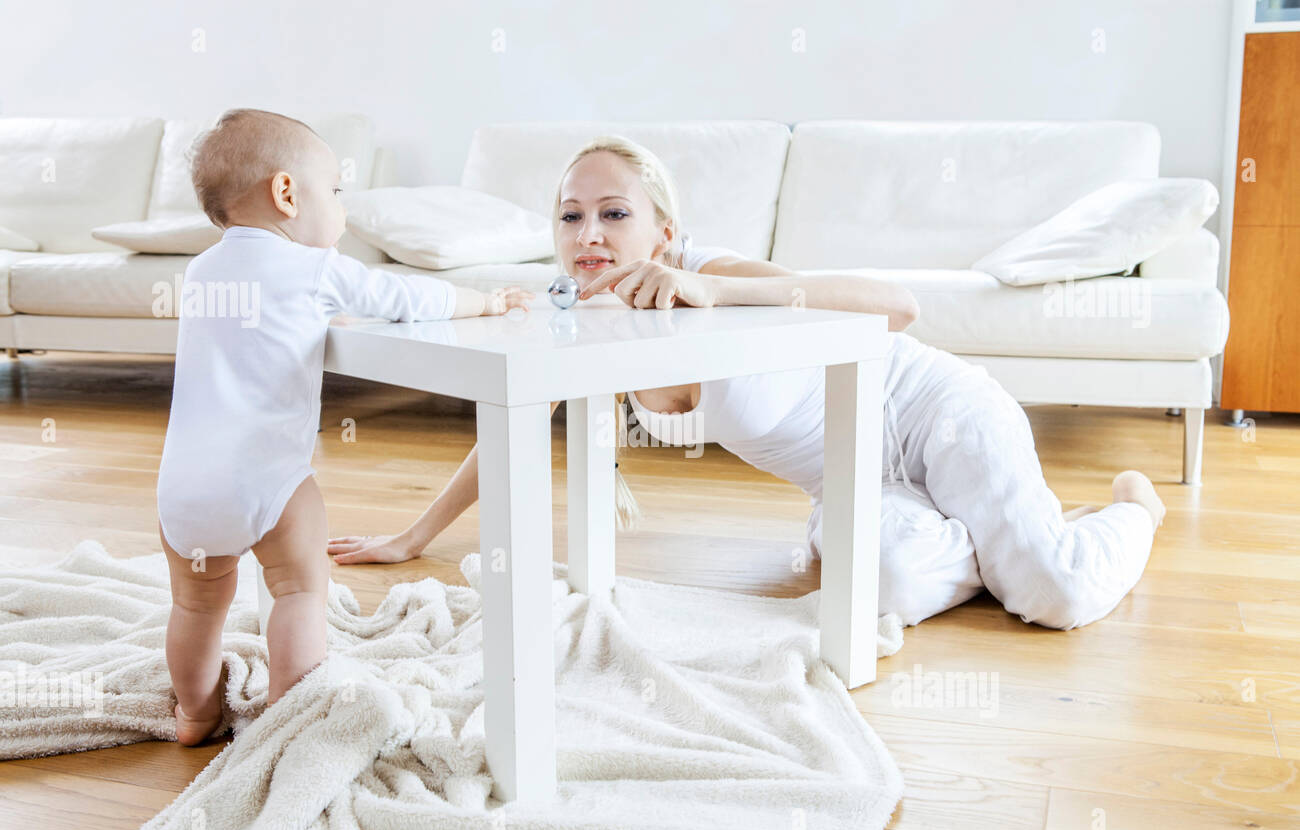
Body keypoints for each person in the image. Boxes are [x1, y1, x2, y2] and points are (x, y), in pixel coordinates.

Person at [328, 134, 1165, 632]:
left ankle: (1129, 508)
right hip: (853, 479)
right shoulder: (570, 313)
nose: (590, 232)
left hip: (935, 416)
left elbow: (898, 307)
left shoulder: (708, 270)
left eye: (615, 213)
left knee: (1054, 597)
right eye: (571, 214)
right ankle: (1001, 533)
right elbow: (509, 429)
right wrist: (412, 535)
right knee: (883, 590)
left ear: (665, 228)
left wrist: (722, 291)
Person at [157, 108, 532, 746]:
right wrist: (486, 301)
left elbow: (256, 333)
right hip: (268, 482)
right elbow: (408, 298)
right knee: (299, 589)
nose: (342, 206)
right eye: (334, 190)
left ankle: (194, 714)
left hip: (182, 491)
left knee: (196, 607)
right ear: (286, 193)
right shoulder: (314, 269)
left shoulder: (200, 274)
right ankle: (289, 714)